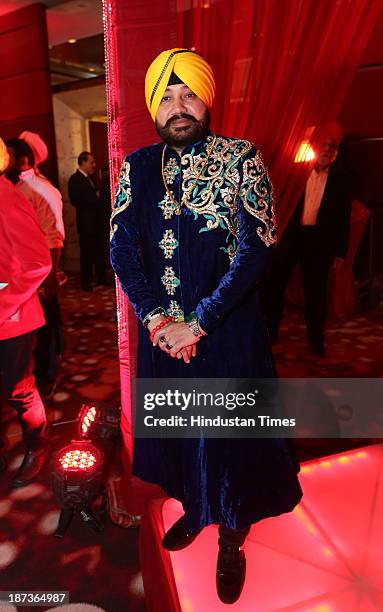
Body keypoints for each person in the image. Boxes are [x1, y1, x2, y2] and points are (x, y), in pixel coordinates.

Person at [110, 48, 302, 604]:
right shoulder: (137, 168)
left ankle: (232, 540)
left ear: (207, 97)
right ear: (153, 107)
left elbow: (254, 254)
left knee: (234, 445)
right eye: (166, 97)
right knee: (182, 436)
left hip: (228, 336)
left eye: (188, 93)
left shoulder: (243, 158)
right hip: (163, 338)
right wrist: (157, 318)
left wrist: (199, 323)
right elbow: (122, 250)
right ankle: (197, 510)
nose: (178, 106)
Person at [263, 123, 352, 356]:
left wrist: (340, 251)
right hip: (290, 238)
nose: (326, 149)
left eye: (331, 146)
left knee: (316, 291)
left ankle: (316, 339)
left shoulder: (340, 178)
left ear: (336, 151)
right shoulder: (296, 171)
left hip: (318, 241)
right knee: (275, 286)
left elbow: (343, 217)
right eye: (323, 144)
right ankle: (270, 332)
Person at [0, 137, 51, 487]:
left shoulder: (6, 196)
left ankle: (37, 447)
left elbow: (37, 263)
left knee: (19, 389)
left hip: (13, 315)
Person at [6, 137, 64, 398]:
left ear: (22, 158)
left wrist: (51, 276)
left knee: (45, 325)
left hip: (36, 272)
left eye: (8, 154)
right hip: (22, 273)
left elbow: (55, 235)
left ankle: (47, 377)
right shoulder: (16, 188)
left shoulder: (38, 189)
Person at [68, 152, 107, 291]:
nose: (94, 165)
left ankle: (101, 278)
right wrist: (94, 197)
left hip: (96, 223)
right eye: (91, 162)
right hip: (86, 224)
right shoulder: (74, 179)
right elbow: (75, 199)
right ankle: (86, 282)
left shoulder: (91, 178)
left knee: (98, 252)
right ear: (83, 162)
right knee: (86, 254)